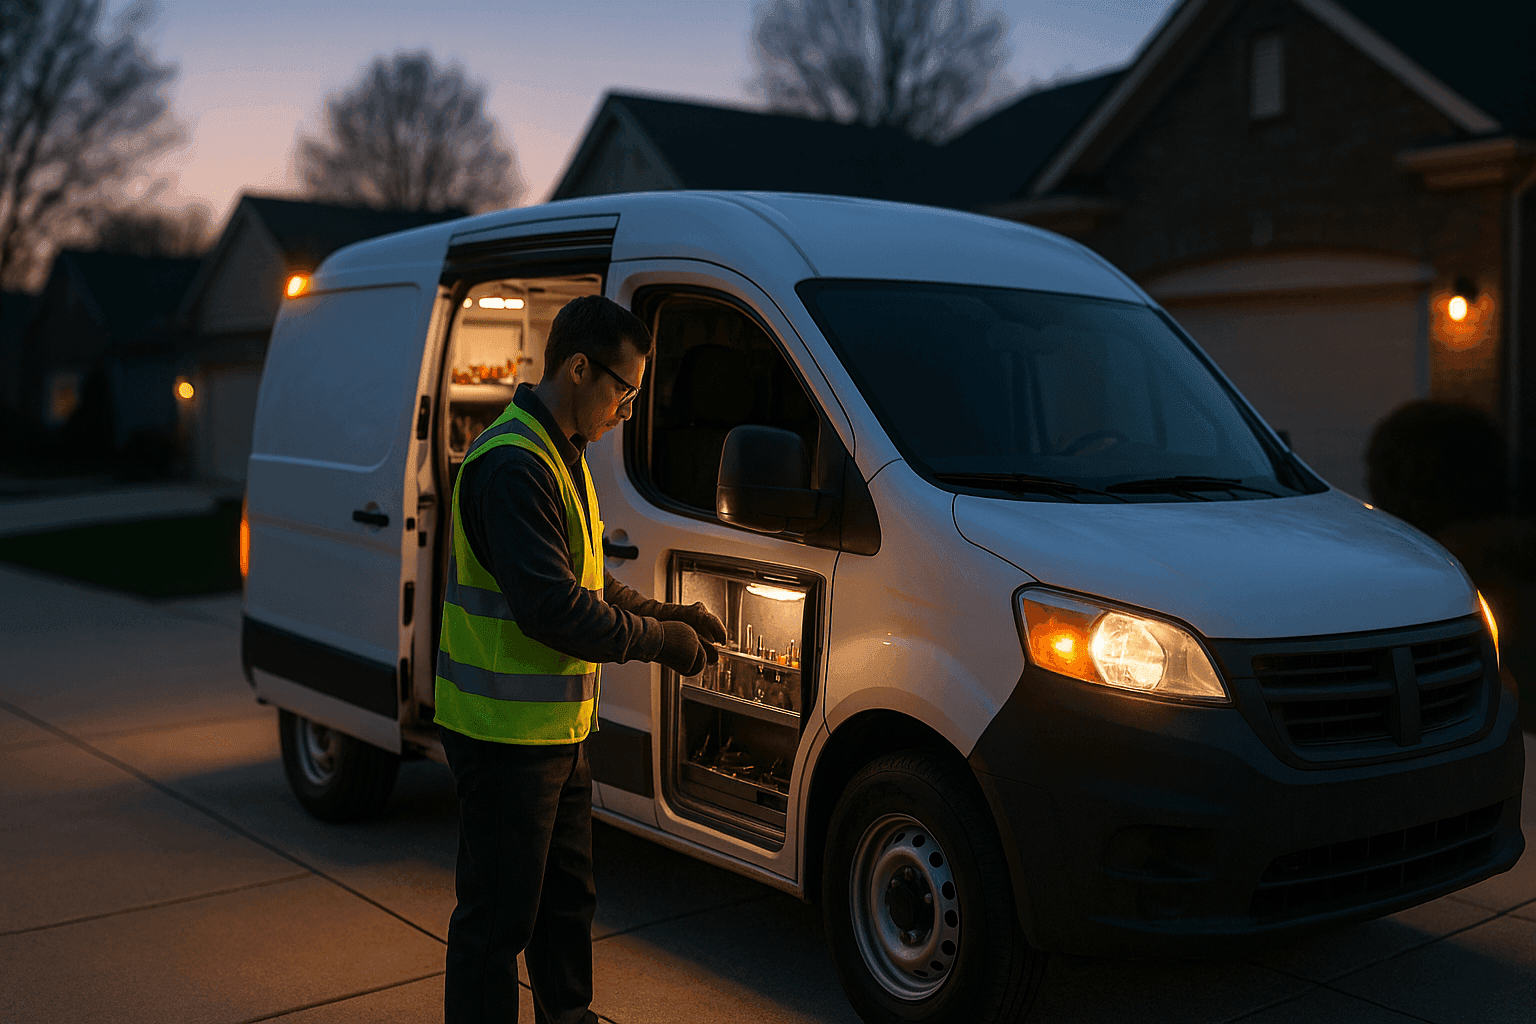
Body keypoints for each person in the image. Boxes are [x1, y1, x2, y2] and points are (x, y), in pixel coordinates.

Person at [435, 294, 727, 1024]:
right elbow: (553, 611)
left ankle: (568, 1017)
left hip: (554, 736)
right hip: (503, 738)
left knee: (566, 902)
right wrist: (661, 645)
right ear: (577, 368)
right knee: (497, 922)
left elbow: (584, 582)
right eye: (623, 388)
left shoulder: (561, 455)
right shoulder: (511, 465)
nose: (628, 407)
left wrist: (666, 613)